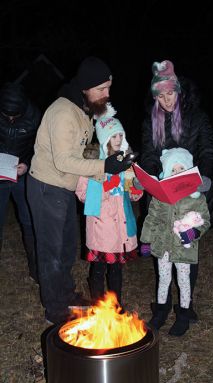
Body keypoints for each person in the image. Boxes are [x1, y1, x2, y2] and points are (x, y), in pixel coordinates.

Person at [27, 56, 134, 325]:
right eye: (102, 89)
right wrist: (104, 165)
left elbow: (81, 150)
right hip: (47, 187)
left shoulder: (84, 108)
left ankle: (66, 295)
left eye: (109, 88)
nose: (107, 95)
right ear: (86, 87)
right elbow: (63, 160)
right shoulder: (64, 112)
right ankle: (55, 310)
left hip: (65, 187)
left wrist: (114, 157)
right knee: (52, 253)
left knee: (66, 249)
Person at [139, 60, 213, 322]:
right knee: (163, 249)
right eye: (160, 96)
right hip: (163, 198)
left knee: (187, 248)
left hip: (191, 199)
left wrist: (204, 176)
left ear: (179, 91)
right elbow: (149, 154)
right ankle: (163, 303)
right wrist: (151, 176)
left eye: (170, 93)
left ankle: (187, 305)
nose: (166, 100)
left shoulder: (198, 117)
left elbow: (208, 150)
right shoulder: (151, 121)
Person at [75, 104, 142, 307]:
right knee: (98, 269)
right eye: (114, 136)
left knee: (117, 269)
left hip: (120, 225)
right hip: (101, 226)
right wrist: (106, 186)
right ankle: (97, 305)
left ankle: (116, 306)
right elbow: (83, 194)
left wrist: (137, 188)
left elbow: (133, 196)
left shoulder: (127, 162)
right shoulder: (92, 162)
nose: (118, 140)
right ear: (105, 138)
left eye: (120, 135)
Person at [140, 147, 210, 336]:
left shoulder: (197, 198)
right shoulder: (160, 198)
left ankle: (184, 316)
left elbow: (205, 220)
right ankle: (161, 312)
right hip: (163, 246)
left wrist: (194, 232)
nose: (177, 173)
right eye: (173, 170)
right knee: (163, 279)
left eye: (181, 169)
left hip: (183, 248)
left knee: (183, 280)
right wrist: (146, 241)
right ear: (167, 172)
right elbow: (151, 219)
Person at [0, 82, 41, 282]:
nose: (10, 119)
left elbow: (39, 147)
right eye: (6, 116)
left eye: (14, 116)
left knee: (28, 220)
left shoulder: (34, 117)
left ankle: (36, 268)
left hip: (21, 175)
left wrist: (26, 162)